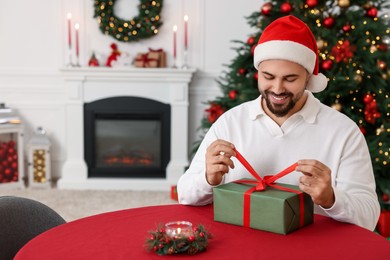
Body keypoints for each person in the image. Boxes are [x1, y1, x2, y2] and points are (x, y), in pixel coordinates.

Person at [177, 15, 380, 231]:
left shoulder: (343, 131)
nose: (277, 88)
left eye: (290, 79)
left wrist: (331, 198)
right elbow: (185, 194)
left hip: (312, 249)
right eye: (268, 76)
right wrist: (208, 178)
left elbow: (369, 216)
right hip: (241, 245)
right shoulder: (230, 122)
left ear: (309, 78)